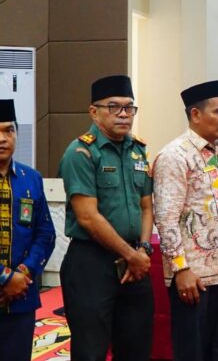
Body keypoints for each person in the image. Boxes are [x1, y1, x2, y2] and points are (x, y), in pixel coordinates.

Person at [58, 75, 154, 360]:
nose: (124, 114)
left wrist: (143, 249)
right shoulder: (81, 152)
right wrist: (131, 255)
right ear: (94, 112)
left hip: (135, 261)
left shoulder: (138, 150)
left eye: (129, 108)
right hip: (91, 264)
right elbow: (88, 217)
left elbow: (147, 206)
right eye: (114, 107)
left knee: (136, 348)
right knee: (91, 351)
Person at [152, 80, 218, 361]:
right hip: (194, 278)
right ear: (195, 115)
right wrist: (180, 270)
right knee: (193, 352)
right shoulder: (174, 155)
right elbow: (165, 218)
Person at [0, 99, 56, 361]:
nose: (3, 138)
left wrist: (23, 274)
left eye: (8, 130)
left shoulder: (31, 178)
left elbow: (45, 234)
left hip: (21, 296)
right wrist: (4, 278)